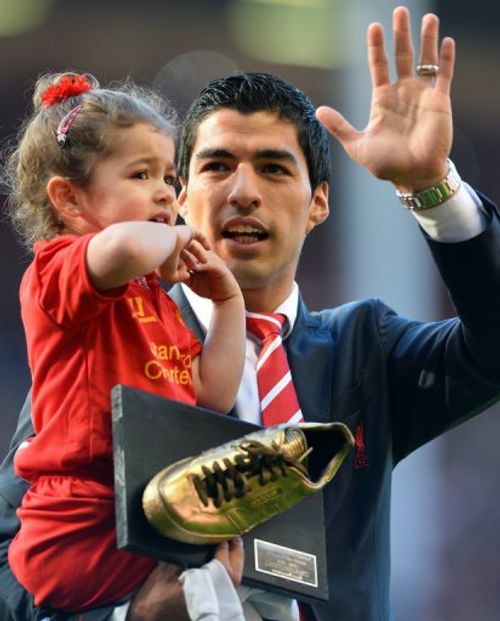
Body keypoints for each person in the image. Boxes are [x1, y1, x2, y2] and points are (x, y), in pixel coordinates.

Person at [1, 5, 500, 621]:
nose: (242, 191)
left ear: (318, 203)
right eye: (216, 166)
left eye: (272, 168)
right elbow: (11, 560)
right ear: (178, 198)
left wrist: (433, 188)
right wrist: (130, 618)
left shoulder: (367, 350)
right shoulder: (107, 338)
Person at [1, 72, 246, 613]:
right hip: (81, 522)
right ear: (69, 199)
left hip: (143, 512)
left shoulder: (153, 299)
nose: (166, 192)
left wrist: (229, 305)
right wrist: (180, 234)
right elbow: (124, 247)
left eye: (170, 176)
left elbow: (212, 394)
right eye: (141, 174)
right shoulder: (58, 268)